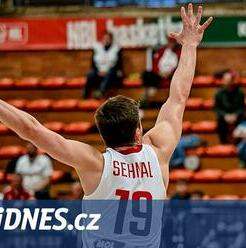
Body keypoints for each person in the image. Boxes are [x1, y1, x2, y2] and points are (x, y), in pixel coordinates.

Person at [0, 4, 212, 247]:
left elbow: (31, 129)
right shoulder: (159, 152)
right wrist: (190, 46)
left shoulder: (94, 164)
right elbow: (179, 96)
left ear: (103, 134)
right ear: (138, 131)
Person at [141, 36, 181, 107]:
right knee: (146, 74)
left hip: (171, 75)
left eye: (172, 42)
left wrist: (170, 73)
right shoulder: (162, 50)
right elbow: (155, 63)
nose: (170, 44)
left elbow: (180, 65)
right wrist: (159, 72)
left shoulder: (179, 52)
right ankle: (147, 96)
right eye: (169, 42)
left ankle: (151, 92)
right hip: (159, 74)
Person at [82, 32, 123, 99]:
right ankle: (86, 94)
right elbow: (93, 64)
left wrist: (106, 72)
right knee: (90, 73)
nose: (106, 40)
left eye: (108, 38)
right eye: (105, 38)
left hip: (111, 72)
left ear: (111, 40)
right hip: (99, 72)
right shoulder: (97, 49)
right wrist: (98, 71)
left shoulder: (116, 49)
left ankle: (100, 92)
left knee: (111, 73)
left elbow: (118, 65)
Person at [214, 70, 246, 143]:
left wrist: (236, 115)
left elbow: (242, 108)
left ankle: (238, 143)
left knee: (242, 122)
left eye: (229, 81)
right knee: (220, 123)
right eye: (226, 81)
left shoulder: (240, 93)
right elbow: (216, 109)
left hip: (237, 117)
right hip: (224, 118)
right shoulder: (218, 93)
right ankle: (223, 142)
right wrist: (225, 115)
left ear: (232, 81)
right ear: (223, 81)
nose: (228, 83)